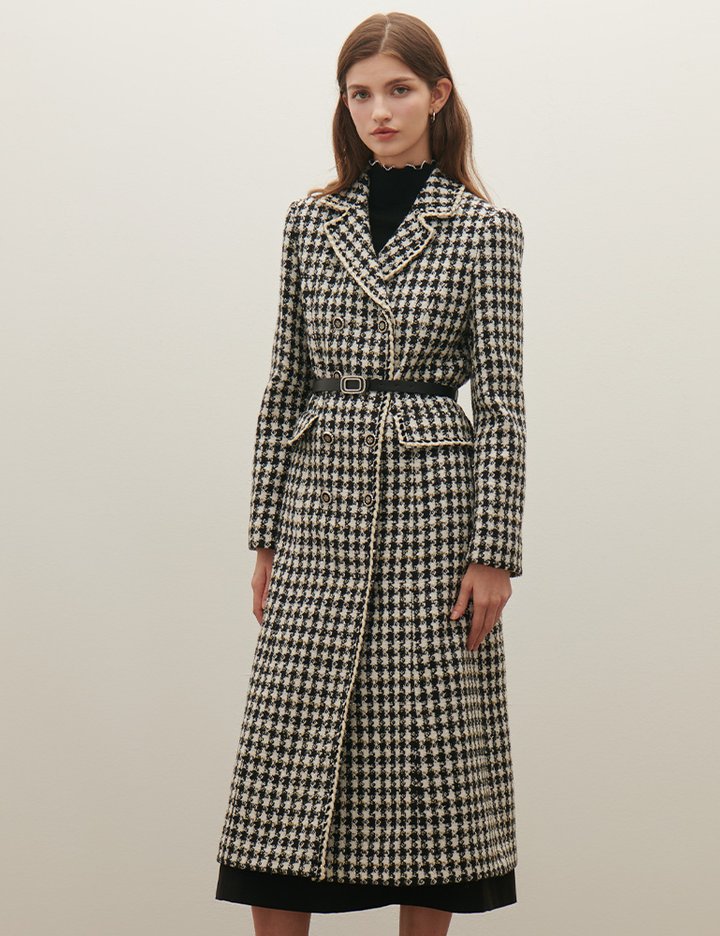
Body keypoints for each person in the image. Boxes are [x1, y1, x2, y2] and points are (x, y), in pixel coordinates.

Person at [215, 12, 526, 936]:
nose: (378, 111)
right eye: (360, 93)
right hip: (321, 498)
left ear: (438, 95)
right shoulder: (311, 222)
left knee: (433, 750)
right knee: (288, 748)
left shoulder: (485, 230)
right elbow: (286, 380)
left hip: (436, 507)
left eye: (398, 89)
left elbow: (503, 400)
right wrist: (265, 534)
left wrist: (495, 553)